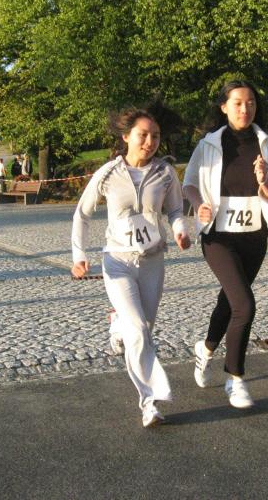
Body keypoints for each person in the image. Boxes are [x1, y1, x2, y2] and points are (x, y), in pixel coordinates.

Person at [71, 107, 191, 427]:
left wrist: (180, 231)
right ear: (126, 137)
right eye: (143, 135)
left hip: (152, 261)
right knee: (138, 331)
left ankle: (118, 323)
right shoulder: (108, 173)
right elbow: (82, 214)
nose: (150, 142)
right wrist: (79, 255)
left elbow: (176, 210)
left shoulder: (165, 173)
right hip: (118, 261)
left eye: (156, 136)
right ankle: (149, 401)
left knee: (143, 328)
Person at [183, 80, 268, 409]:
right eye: (238, 103)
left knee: (229, 302)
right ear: (224, 107)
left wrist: (264, 182)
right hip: (218, 237)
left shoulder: (267, 144)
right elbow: (189, 183)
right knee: (245, 305)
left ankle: (205, 348)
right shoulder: (209, 144)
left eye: (251, 102)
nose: (245, 108)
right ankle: (235, 378)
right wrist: (198, 204)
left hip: (254, 237)